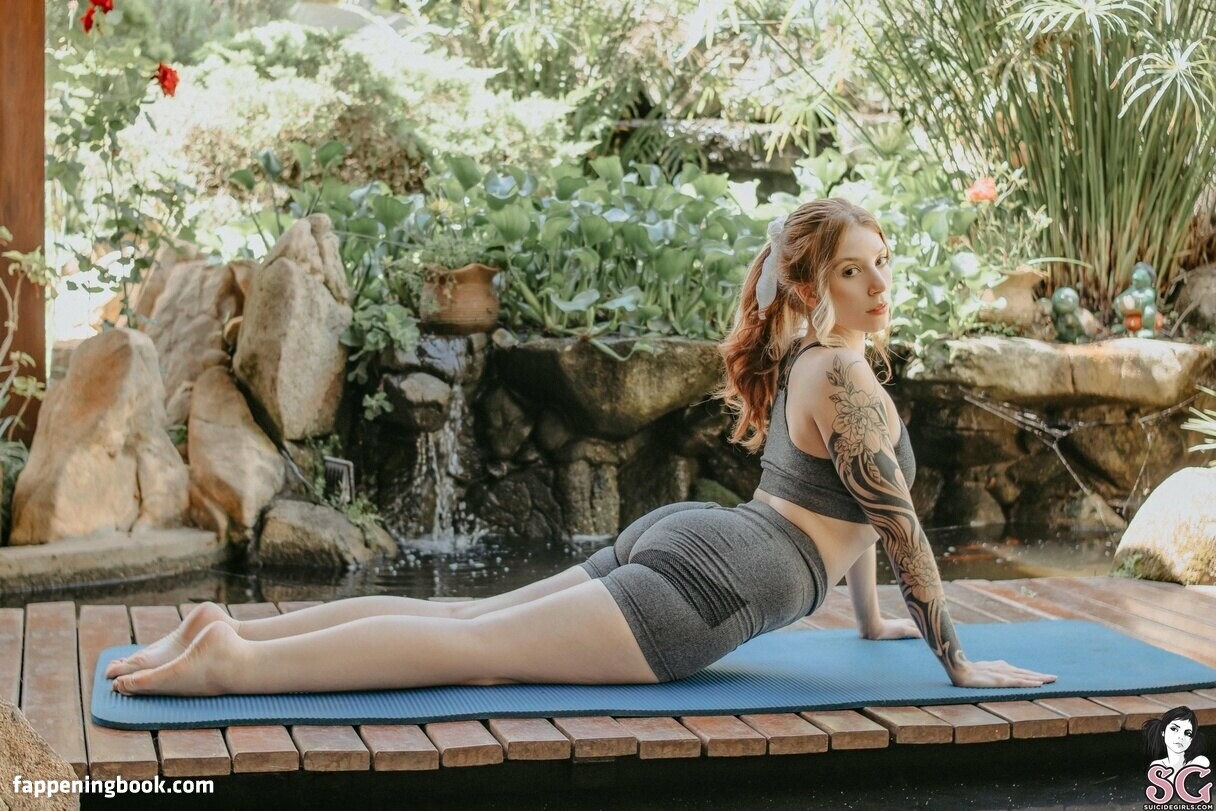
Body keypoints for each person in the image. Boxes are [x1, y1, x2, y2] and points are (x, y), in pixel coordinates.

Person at [107, 198, 1057, 696]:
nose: (879, 282)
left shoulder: (821, 361)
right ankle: (235, 665)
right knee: (476, 650)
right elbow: (897, 523)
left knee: (468, 618)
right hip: (721, 582)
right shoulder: (844, 376)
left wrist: (873, 621)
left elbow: (856, 509)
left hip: (712, 541)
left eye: (882, 261)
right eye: (854, 269)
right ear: (814, 285)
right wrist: (957, 661)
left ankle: (237, 630)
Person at [1142, 706, 1210, 779]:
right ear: (1163, 731)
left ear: (1191, 739)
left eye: (1188, 733)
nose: (1181, 737)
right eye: (1174, 729)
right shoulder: (1158, 765)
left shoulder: (1199, 762)